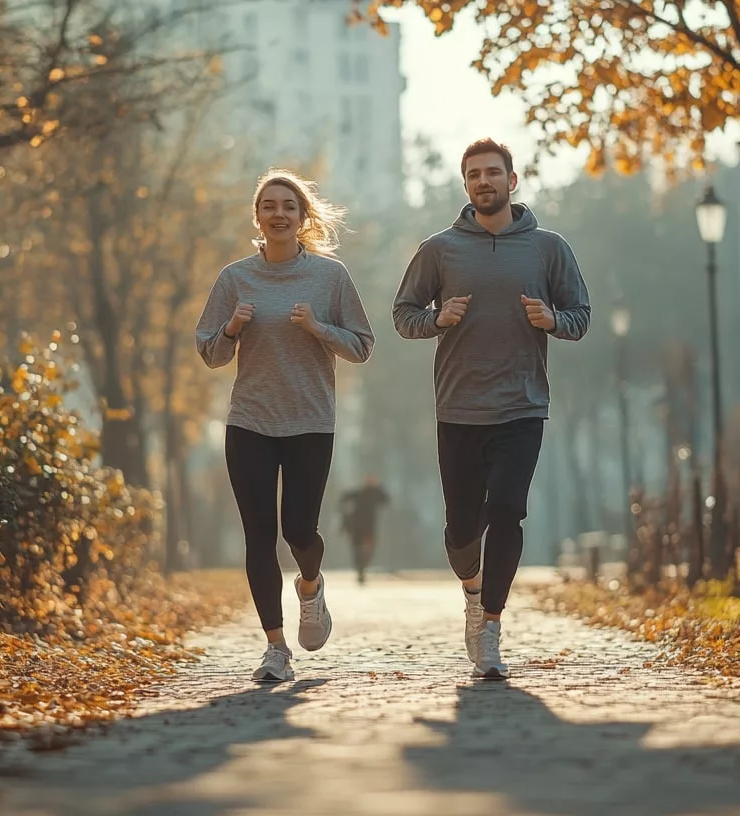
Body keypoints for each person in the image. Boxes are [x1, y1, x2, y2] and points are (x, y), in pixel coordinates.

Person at [393, 138, 591, 680]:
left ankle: (491, 628)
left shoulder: (549, 248)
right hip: (457, 407)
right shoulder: (440, 249)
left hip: (523, 405)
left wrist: (553, 321)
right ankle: (473, 591)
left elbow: (581, 314)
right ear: (466, 186)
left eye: (493, 173)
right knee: (461, 532)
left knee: (507, 510)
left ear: (513, 179)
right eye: (474, 175)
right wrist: (437, 320)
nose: (484, 182)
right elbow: (403, 313)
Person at [196, 169, 375, 683]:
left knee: (299, 529)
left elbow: (363, 346)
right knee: (258, 535)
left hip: (310, 423)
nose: (279, 214)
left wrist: (319, 329)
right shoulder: (234, 279)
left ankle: (311, 585)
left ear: (302, 218)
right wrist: (232, 327)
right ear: (258, 216)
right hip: (249, 421)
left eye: (288, 206)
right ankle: (276, 648)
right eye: (269, 205)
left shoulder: (330, 277)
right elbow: (209, 350)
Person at [339, 474, 390, 585]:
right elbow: (343, 499)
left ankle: (362, 569)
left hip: (365, 527)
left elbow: (386, 500)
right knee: (359, 550)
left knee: (364, 550)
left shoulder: (373, 494)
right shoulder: (360, 493)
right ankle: (361, 570)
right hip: (360, 527)